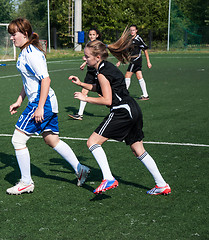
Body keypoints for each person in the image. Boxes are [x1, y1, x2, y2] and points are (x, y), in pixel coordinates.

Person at [68, 28, 171, 195]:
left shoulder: (101, 72)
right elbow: (101, 87)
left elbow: (107, 100)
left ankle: (108, 178)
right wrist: (81, 84)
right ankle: (161, 184)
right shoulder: (105, 67)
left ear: (98, 57)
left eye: (87, 56)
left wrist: (85, 98)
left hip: (121, 111)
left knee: (92, 142)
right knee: (138, 150)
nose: (84, 59)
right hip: (133, 109)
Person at [6, 18, 90, 195]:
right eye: (11, 35)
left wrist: (40, 107)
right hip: (45, 101)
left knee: (18, 140)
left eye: (14, 34)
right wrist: (20, 100)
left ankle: (26, 182)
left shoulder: (31, 53)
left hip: (41, 101)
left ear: (25, 33)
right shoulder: (24, 52)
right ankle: (80, 169)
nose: (12, 38)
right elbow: (29, 80)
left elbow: (45, 79)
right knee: (51, 139)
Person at [69, 28, 101, 120]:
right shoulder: (88, 44)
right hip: (90, 71)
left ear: (97, 35)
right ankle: (80, 114)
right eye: (90, 34)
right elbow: (89, 58)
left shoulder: (98, 45)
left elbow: (99, 57)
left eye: (93, 34)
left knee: (102, 93)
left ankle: (116, 109)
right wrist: (84, 63)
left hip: (97, 71)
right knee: (84, 91)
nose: (91, 36)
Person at [116, 25, 151, 100]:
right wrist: (120, 61)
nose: (132, 31)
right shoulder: (129, 40)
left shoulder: (138, 39)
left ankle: (123, 94)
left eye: (133, 30)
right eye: (130, 30)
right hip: (133, 60)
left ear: (136, 31)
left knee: (127, 75)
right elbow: (126, 52)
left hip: (136, 60)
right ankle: (145, 95)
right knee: (139, 76)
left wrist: (148, 62)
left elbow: (145, 49)